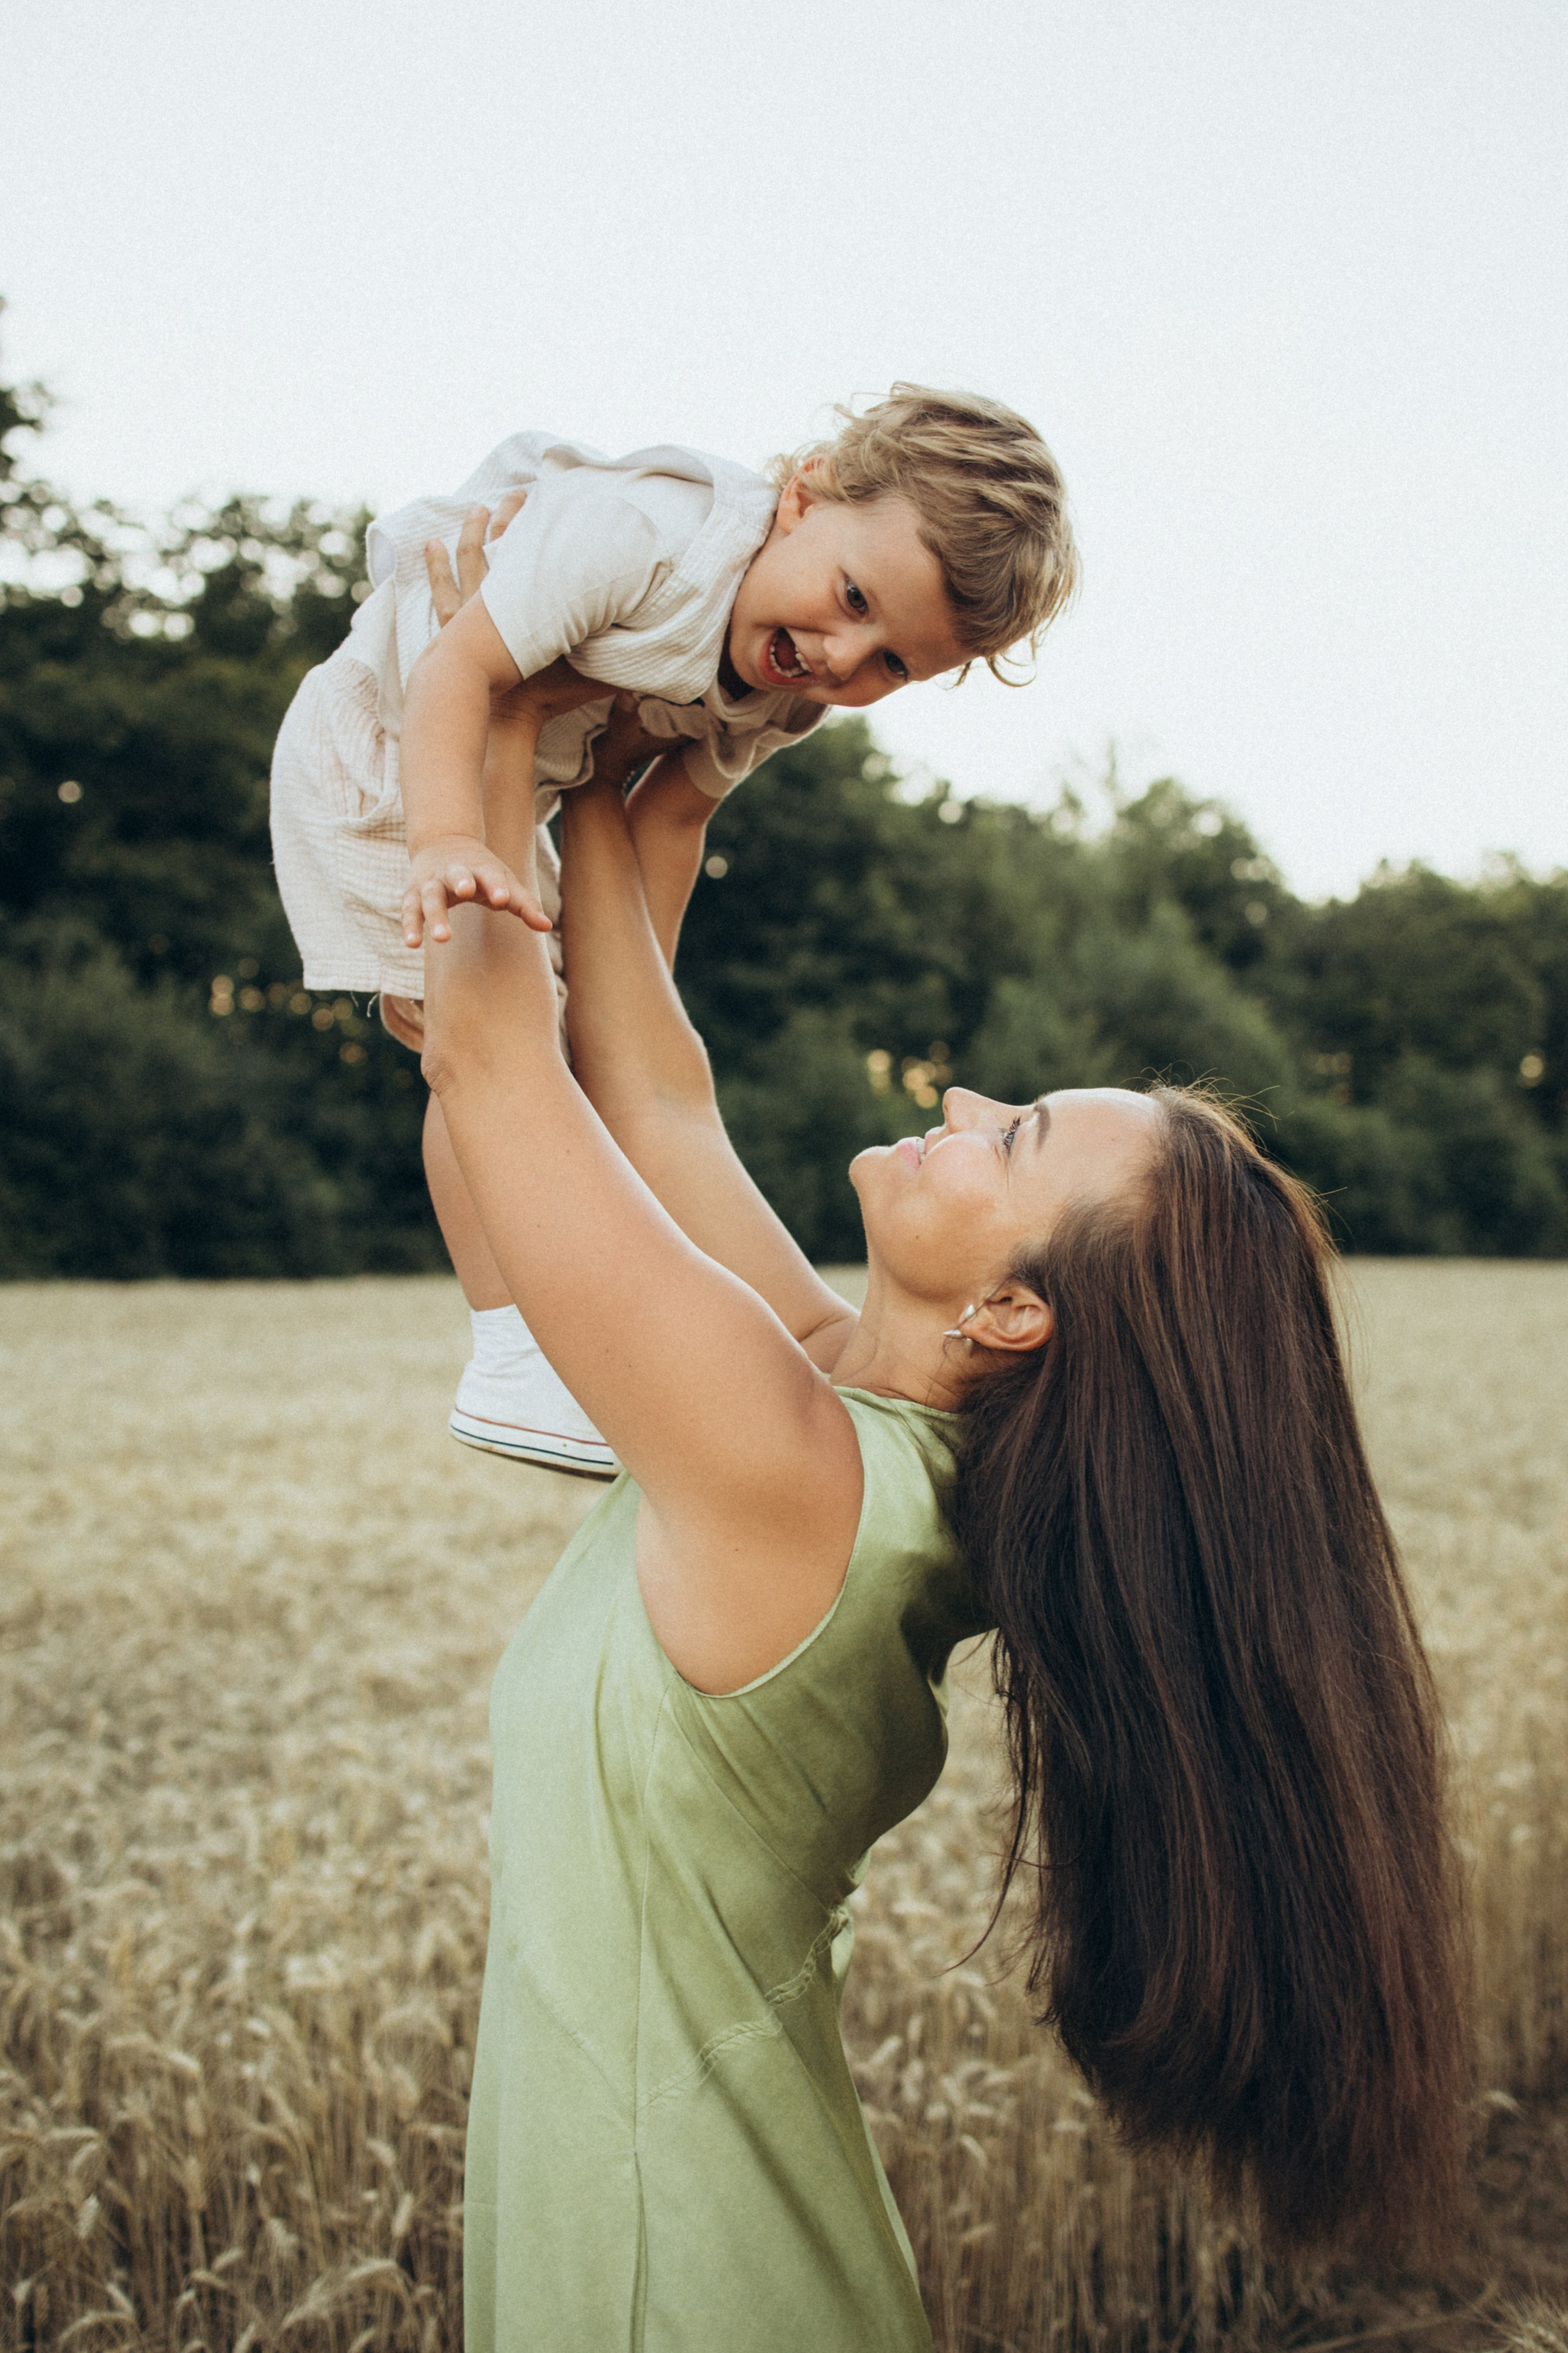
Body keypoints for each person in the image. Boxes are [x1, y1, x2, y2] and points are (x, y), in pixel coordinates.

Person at [420, 723, 1469, 2347]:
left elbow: (499, 1068)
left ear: (1009, 1308)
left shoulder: (790, 1471)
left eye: (1017, 1134)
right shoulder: (858, 1435)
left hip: (667, 2281)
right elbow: (658, 1104)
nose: (966, 1096)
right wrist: (633, 787)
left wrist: (482, 714)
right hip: (717, 2247)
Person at [270, 385, 1077, 1475]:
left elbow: (674, 814)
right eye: (852, 596)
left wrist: (623, 1023)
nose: (844, 657)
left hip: (519, 779)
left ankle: (536, 1330)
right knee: (476, 1042)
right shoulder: (644, 540)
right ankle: (513, 1343)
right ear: (803, 497)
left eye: (893, 663)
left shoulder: (788, 692)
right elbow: (464, 668)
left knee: (547, 1045)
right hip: (387, 753)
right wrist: (443, 842)